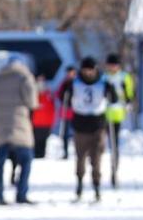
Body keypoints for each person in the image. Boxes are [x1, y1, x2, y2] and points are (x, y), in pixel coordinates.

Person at [63, 57, 118, 202]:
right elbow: (65, 99)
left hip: (98, 124)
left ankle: (96, 186)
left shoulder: (103, 82)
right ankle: (79, 184)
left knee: (97, 158)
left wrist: (111, 92)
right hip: (80, 125)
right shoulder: (74, 83)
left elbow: (114, 99)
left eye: (91, 70)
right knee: (80, 157)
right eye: (86, 70)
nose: (88, 73)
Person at [0, 56, 38, 205]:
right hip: (19, 124)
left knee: (0, 162)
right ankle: (21, 193)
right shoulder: (25, 78)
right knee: (26, 160)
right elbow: (32, 102)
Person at [103, 53, 135, 187]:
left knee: (114, 144)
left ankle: (114, 170)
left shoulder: (124, 77)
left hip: (117, 114)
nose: (112, 67)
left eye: (115, 65)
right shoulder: (104, 77)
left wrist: (128, 102)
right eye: (110, 65)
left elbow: (129, 94)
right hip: (103, 113)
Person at [31, 74, 55, 160]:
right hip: (35, 122)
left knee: (43, 142)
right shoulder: (33, 94)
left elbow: (52, 109)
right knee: (35, 142)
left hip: (46, 123)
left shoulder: (49, 94)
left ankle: (41, 156)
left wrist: (52, 122)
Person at [55, 66, 77, 160]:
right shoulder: (64, 83)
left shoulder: (77, 82)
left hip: (76, 112)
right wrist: (63, 95)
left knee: (76, 133)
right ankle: (65, 152)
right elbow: (58, 94)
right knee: (65, 133)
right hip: (66, 112)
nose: (69, 75)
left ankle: (77, 151)